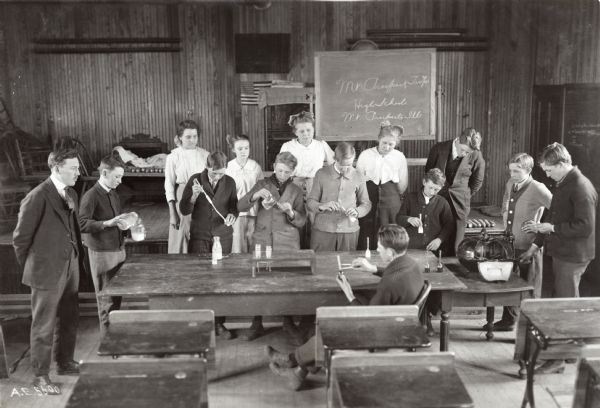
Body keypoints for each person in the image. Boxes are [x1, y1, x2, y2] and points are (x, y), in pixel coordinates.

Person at [265, 225, 425, 390]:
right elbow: (393, 273)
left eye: (380, 247)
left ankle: (292, 361)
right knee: (334, 319)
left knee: (329, 329)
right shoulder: (410, 264)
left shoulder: (390, 284)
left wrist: (349, 293)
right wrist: (373, 269)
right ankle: (298, 372)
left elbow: (369, 317)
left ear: (391, 253)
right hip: (398, 322)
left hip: (383, 332)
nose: (377, 249)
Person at [12, 149, 85, 394]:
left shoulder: (70, 192)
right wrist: (36, 267)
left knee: (70, 316)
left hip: (70, 265)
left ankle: (65, 362)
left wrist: (72, 259)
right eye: (73, 168)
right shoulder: (37, 197)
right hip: (46, 271)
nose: (78, 172)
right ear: (56, 168)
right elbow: (20, 240)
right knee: (43, 324)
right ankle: (40, 376)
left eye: (77, 167)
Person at [522, 143, 597, 374]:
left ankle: (558, 360)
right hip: (562, 253)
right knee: (564, 304)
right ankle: (569, 354)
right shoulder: (564, 183)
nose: (547, 174)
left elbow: (585, 226)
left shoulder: (580, 187)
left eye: (549, 169)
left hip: (572, 256)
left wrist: (552, 228)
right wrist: (537, 244)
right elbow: (552, 218)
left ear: (562, 164)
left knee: (565, 307)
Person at [237, 152, 307, 341]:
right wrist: (256, 195)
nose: (281, 174)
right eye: (279, 169)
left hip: (288, 242)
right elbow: (240, 205)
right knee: (259, 281)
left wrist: (291, 213)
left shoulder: (296, 190)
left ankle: (288, 321)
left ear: (293, 172)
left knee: (287, 282)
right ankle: (256, 322)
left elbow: (302, 221)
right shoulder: (262, 185)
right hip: (263, 239)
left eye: (286, 172)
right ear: (274, 165)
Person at [486, 153, 551, 332]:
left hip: (529, 246)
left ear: (529, 170)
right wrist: (505, 211)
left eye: (517, 171)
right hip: (510, 245)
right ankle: (509, 321)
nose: (512, 174)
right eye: (510, 170)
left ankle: (531, 330)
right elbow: (507, 200)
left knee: (529, 288)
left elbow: (557, 210)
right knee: (510, 285)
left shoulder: (539, 188)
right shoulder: (510, 183)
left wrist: (540, 226)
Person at [180, 151, 238, 339]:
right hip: (200, 236)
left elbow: (233, 207)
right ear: (207, 167)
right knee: (199, 281)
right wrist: (194, 197)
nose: (218, 177)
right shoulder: (195, 180)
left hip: (223, 236)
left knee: (221, 282)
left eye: (221, 173)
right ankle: (201, 324)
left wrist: (232, 216)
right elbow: (184, 209)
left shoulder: (229, 182)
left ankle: (219, 324)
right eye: (214, 173)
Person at [79, 156, 129, 335]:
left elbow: (115, 220)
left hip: (117, 250)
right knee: (106, 301)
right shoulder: (91, 195)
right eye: (117, 177)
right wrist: (107, 224)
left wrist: (126, 226)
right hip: (102, 254)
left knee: (116, 299)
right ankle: (107, 344)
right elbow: (82, 224)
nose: (120, 181)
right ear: (105, 173)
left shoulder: (113, 193)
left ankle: (114, 339)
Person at [425, 127, 485, 254]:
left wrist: (465, 194)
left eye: (467, 153)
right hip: (437, 200)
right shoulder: (438, 148)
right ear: (457, 141)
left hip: (460, 203)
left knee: (456, 244)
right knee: (437, 240)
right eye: (463, 150)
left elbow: (477, 181)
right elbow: (429, 172)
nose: (464, 154)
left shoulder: (476, 154)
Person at [280, 111, 334, 248]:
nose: (306, 134)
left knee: (314, 217)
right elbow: (280, 169)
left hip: (315, 184)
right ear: (295, 132)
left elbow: (334, 164)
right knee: (295, 216)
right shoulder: (288, 146)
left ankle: (315, 250)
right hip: (294, 184)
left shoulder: (321, 145)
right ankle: (296, 251)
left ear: (313, 130)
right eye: (301, 131)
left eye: (309, 130)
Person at [307, 142, 371, 252]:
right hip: (323, 231)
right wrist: (322, 206)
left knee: (347, 266)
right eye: (342, 166)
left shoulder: (359, 176)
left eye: (349, 165)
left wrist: (357, 211)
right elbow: (310, 202)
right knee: (323, 266)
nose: (346, 169)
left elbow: (366, 204)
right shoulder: (321, 174)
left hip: (349, 231)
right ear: (335, 159)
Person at [356, 122, 408, 250]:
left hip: (391, 197)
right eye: (384, 143)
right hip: (369, 195)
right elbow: (357, 178)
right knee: (368, 226)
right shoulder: (366, 154)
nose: (387, 147)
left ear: (396, 144)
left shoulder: (399, 157)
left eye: (391, 144)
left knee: (390, 229)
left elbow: (402, 183)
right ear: (378, 139)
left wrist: (395, 197)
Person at [164, 119, 210, 254]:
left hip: (202, 195)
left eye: (195, 136)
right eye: (188, 137)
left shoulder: (205, 155)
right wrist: (173, 213)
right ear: (180, 138)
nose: (192, 140)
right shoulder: (173, 156)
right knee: (181, 232)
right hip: (182, 194)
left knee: (199, 233)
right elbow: (169, 185)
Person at [396, 168, 454, 253]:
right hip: (411, 248)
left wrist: (439, 239)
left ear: (441, 188)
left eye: (436, 190)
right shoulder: (410, 198)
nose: (432, 192)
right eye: (430, 187)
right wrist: (409, 219)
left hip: (433, 249)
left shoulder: (443, 202)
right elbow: (398, 218)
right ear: (424, 182)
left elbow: (449, 225)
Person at [226, 134, 262, 254]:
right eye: (240, 149)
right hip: (236, 212)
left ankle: (253, 268)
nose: (243, 152)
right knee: (237, 243)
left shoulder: (255, 167)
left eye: (246, 148)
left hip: (253, 211)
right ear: (233, 150)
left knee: (252, 240)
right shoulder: (229, 168)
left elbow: (261, 187)